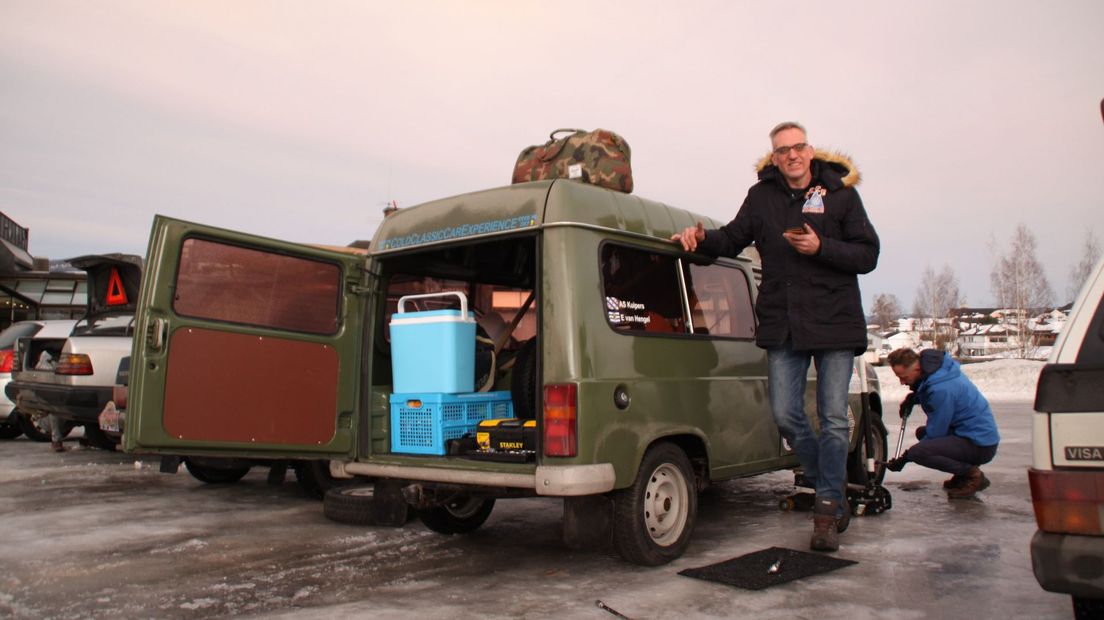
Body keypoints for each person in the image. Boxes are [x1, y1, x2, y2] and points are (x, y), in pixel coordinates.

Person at [672, 121, 879, 552]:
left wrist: (821, 248)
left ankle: (825, 508)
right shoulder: (761, 197)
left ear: (810, 150)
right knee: (786, 415)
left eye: (798, 147)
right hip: (783, 322)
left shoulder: (840, 194)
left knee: (835, 416)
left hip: (834, 321)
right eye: (782, 150)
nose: (791, 155)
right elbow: (732, 238)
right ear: (774, 157)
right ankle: (830, 482)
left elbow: (868, 254)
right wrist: (698, 239)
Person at [884, 348, 1000, 499]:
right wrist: (915, 397)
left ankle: (971, 475)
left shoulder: (941, 388)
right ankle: (961, 474)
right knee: (921, 433)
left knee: (919, 452)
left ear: (917, 369)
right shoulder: (938, 372)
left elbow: (936, 432)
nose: (902, 382)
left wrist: (906, 457)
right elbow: (931, 391)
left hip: (979, 444)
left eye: (903, 377)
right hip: (970, 435)